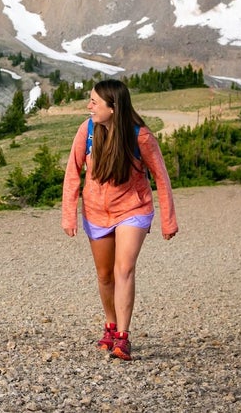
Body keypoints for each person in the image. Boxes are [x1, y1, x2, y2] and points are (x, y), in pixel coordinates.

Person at [61, 79, 178, 361]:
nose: (89, 106)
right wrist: (69, 214)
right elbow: (73, 171)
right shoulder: (87, 131)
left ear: (113, 107)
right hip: (96, 211)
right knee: (104, 274)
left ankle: (123, 337)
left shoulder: (141, 137)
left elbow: (161, 177)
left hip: (133, 210)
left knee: (123, 268)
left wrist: (168, 220)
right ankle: (110, 324)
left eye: (94, 102)